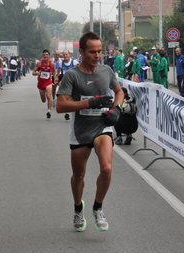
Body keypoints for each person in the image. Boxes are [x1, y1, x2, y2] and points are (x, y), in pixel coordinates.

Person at [56, 32, 124, 232]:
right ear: (82, 52)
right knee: (78, 175)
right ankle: (78, 208)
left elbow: (119, 91)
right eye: (92, 52)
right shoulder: (72, 75)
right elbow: (60, 106)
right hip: (80, 130)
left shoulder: (106, 71)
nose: (97, 56)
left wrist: (117, 109)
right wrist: (90, 102)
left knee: (107, 169)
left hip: (102, 126)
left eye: (99, 51)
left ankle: (98, 207)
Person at [32, 49, 57, 118]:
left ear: (49, 56)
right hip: (41, 82)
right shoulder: (39, 63)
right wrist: (36, 73)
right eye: (44, 55)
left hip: (48, 82)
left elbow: (54, 72)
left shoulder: (52, 64)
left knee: (49, 96)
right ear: (42, 55)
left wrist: (55, 78)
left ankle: (49, 111)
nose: (45, 56)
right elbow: (33, 72)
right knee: (43, 100)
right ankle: (46, 101)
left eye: (46, 55)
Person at [58, 49, 79, 120]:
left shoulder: (74, 62)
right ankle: (67, 113)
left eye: (66, 54)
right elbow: (59, 71)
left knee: (73, 97)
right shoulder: (61, 63)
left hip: (73, 82)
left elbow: (79, 71)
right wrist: (57, 79)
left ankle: (75, 110)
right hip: (65, 83)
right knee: (65, 98)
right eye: (64, 54)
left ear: (69, 55)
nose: (65, 56)